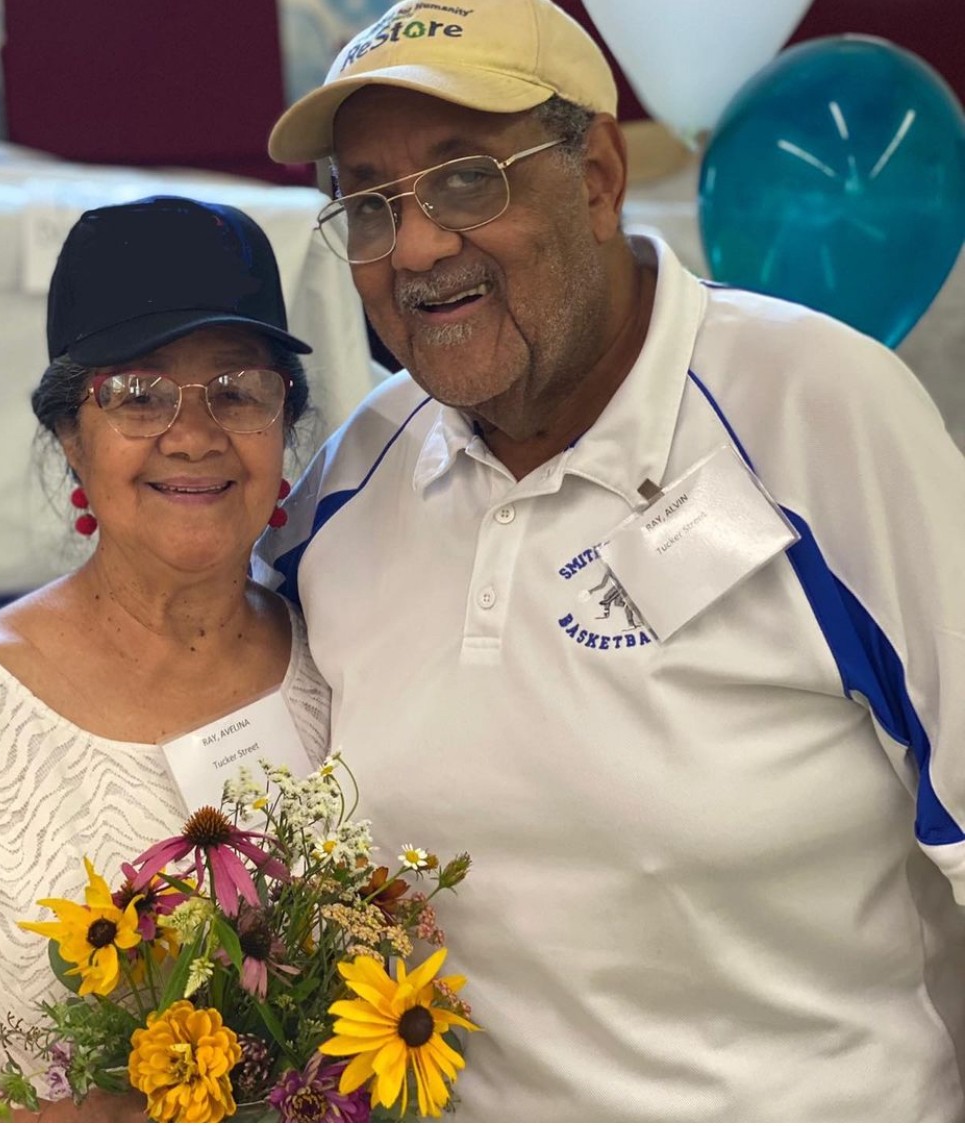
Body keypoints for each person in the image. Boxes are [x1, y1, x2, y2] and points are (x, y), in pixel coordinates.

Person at [256, 0, 965, 1120]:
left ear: (595, 176)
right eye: (369, 203)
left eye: (465, 179)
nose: (418, 246)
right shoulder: (351, 484)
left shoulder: (824, 414)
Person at [0, 195, 330, 1120]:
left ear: (284, 427)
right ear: (71, 435)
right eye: (138, 394)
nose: (194, 433)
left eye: (238, 389)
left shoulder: (350, 659)